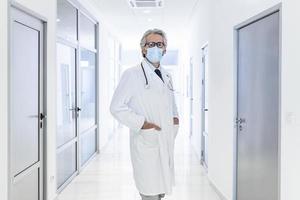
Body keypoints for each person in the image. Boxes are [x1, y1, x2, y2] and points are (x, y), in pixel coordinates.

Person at [110, 28, 179, 200]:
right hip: (147, 140)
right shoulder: (132, 74)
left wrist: (175, 119)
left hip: (164, 138)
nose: (156, 47)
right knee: (149, 192)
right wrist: (143, 124)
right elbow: (116, 107)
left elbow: (170, 103)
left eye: (160, 44)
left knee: (160, 190)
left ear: (165, 49)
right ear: (143, 49)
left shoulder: (167, 75)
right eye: (151, 44)